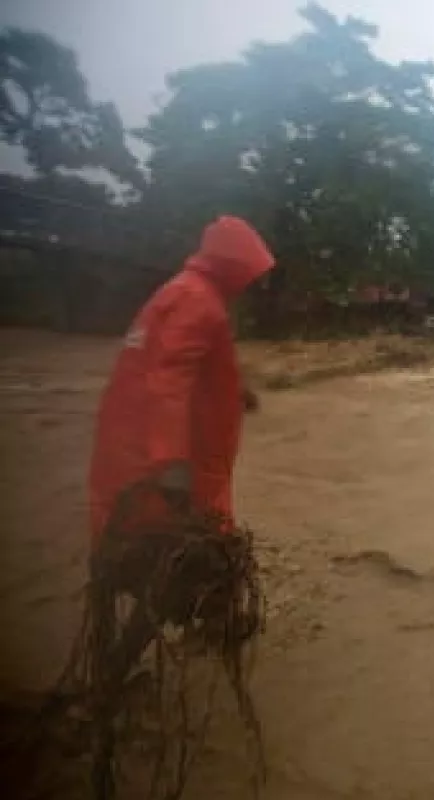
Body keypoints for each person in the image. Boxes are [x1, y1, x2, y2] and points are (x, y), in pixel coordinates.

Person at [85, 214, 274, 703]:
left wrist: (236, 394)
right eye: (251, 274)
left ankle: (208, 628)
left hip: (129, 450)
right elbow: (166, 381)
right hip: (163, 462)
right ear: (234, 266)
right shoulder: (199, 301)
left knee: (135, 557)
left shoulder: (180, 291)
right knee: (174, 567)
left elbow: (176, 365)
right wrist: (170, 464)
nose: (252, 285)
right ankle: (111, 681)